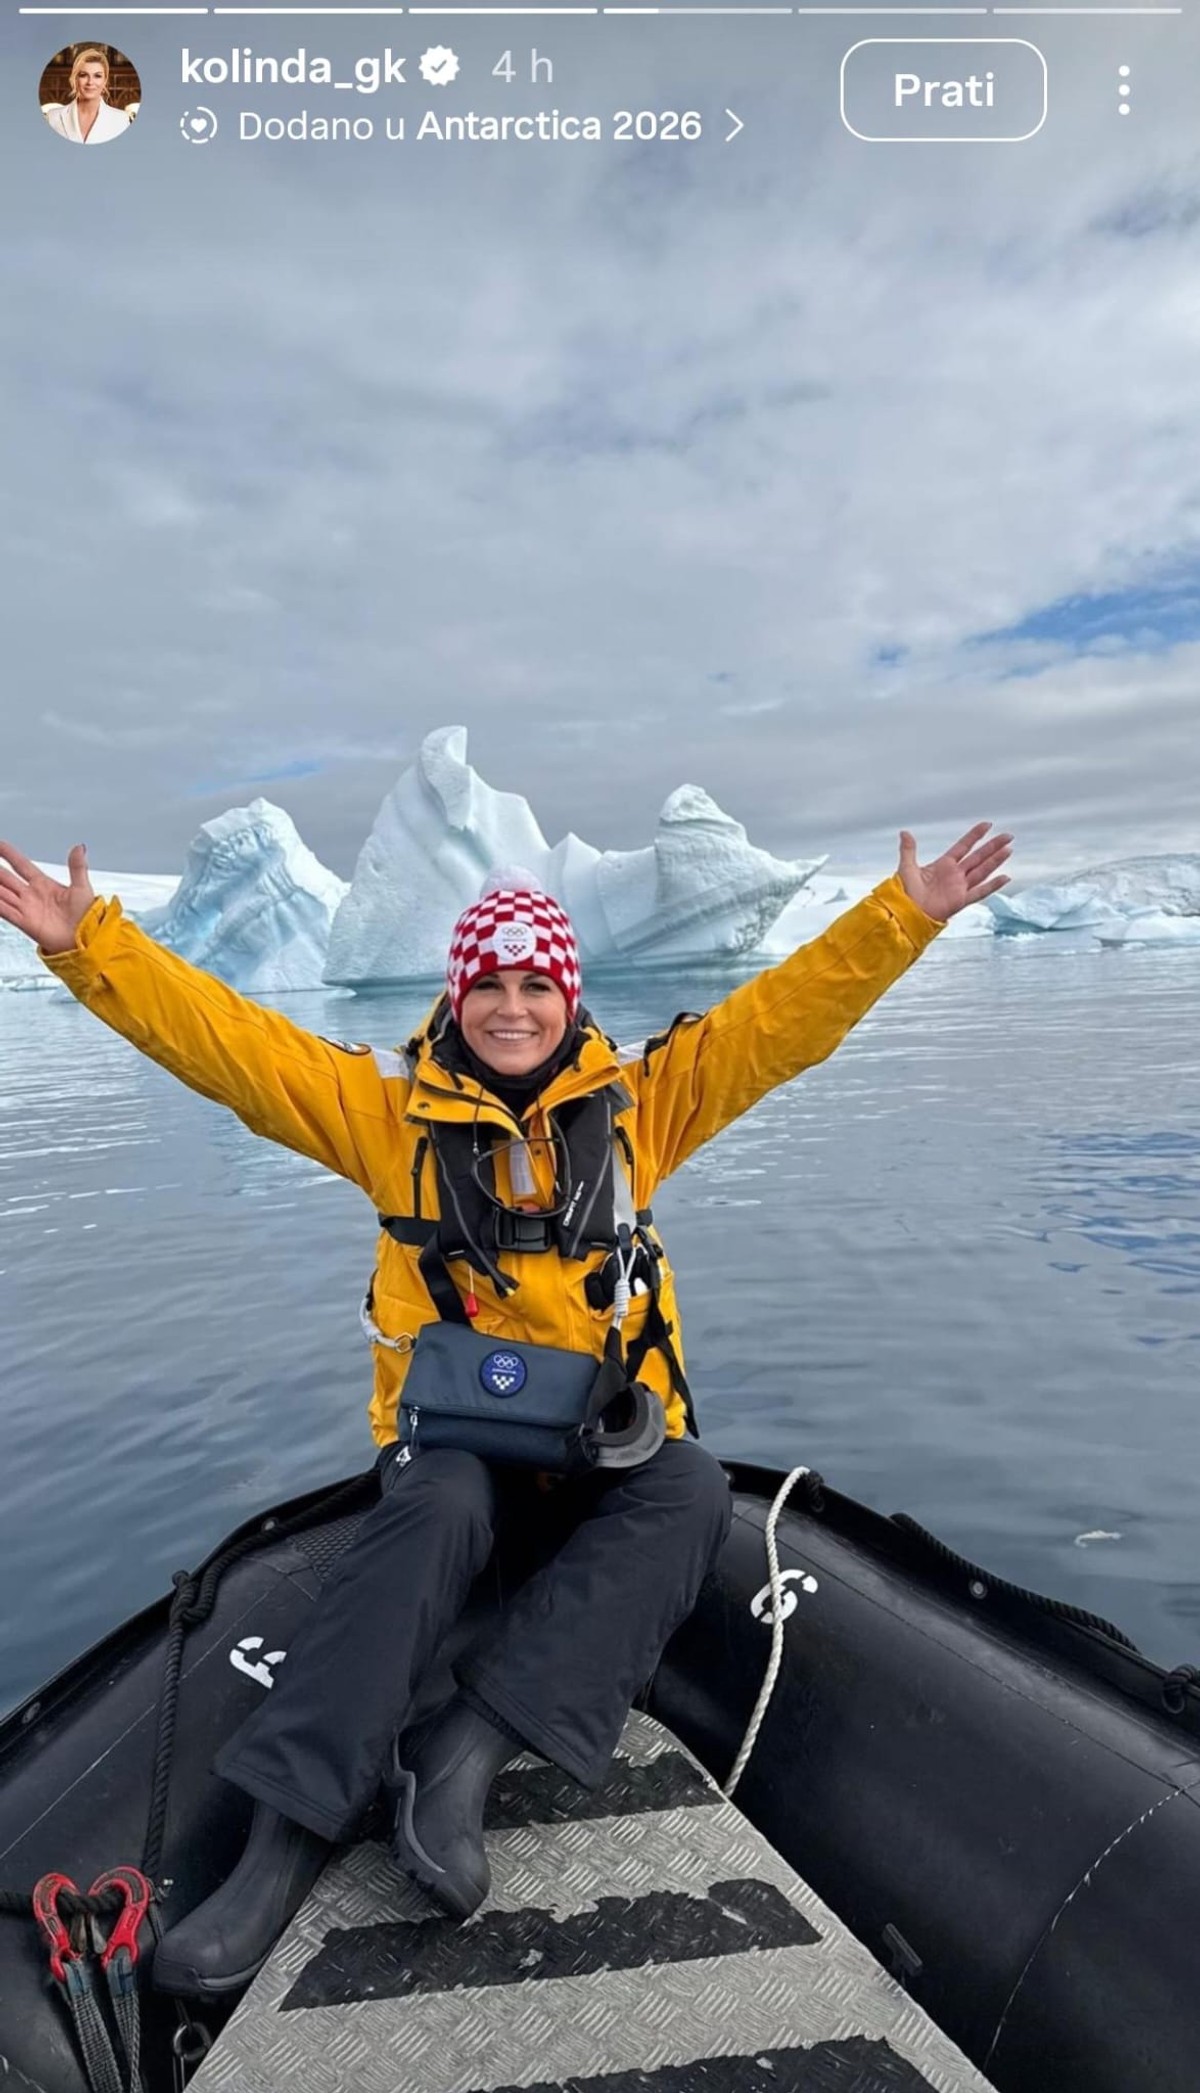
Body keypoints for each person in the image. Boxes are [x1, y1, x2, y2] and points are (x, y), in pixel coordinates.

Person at [0, 820, 1011, 1997]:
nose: (514, 1007)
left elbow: (783, 1022)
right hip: (456, 1455)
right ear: (458, 991)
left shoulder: (644, 1106)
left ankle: (465, 1751)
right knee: (436, 1502)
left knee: (687, 1484)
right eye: (491, 982)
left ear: (568, 993)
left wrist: (905, 916)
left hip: (595, 1450)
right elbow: (234, 1049)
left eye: (537, 983)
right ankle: (280, 1841)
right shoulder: (387, 1116)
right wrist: (95, 949)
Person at [42, 48, 132, 145]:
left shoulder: (121, 120)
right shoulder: (53, 117)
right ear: (75, 78)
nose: (90, 82)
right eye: (83, 75)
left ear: (105, 80)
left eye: (97, 76)